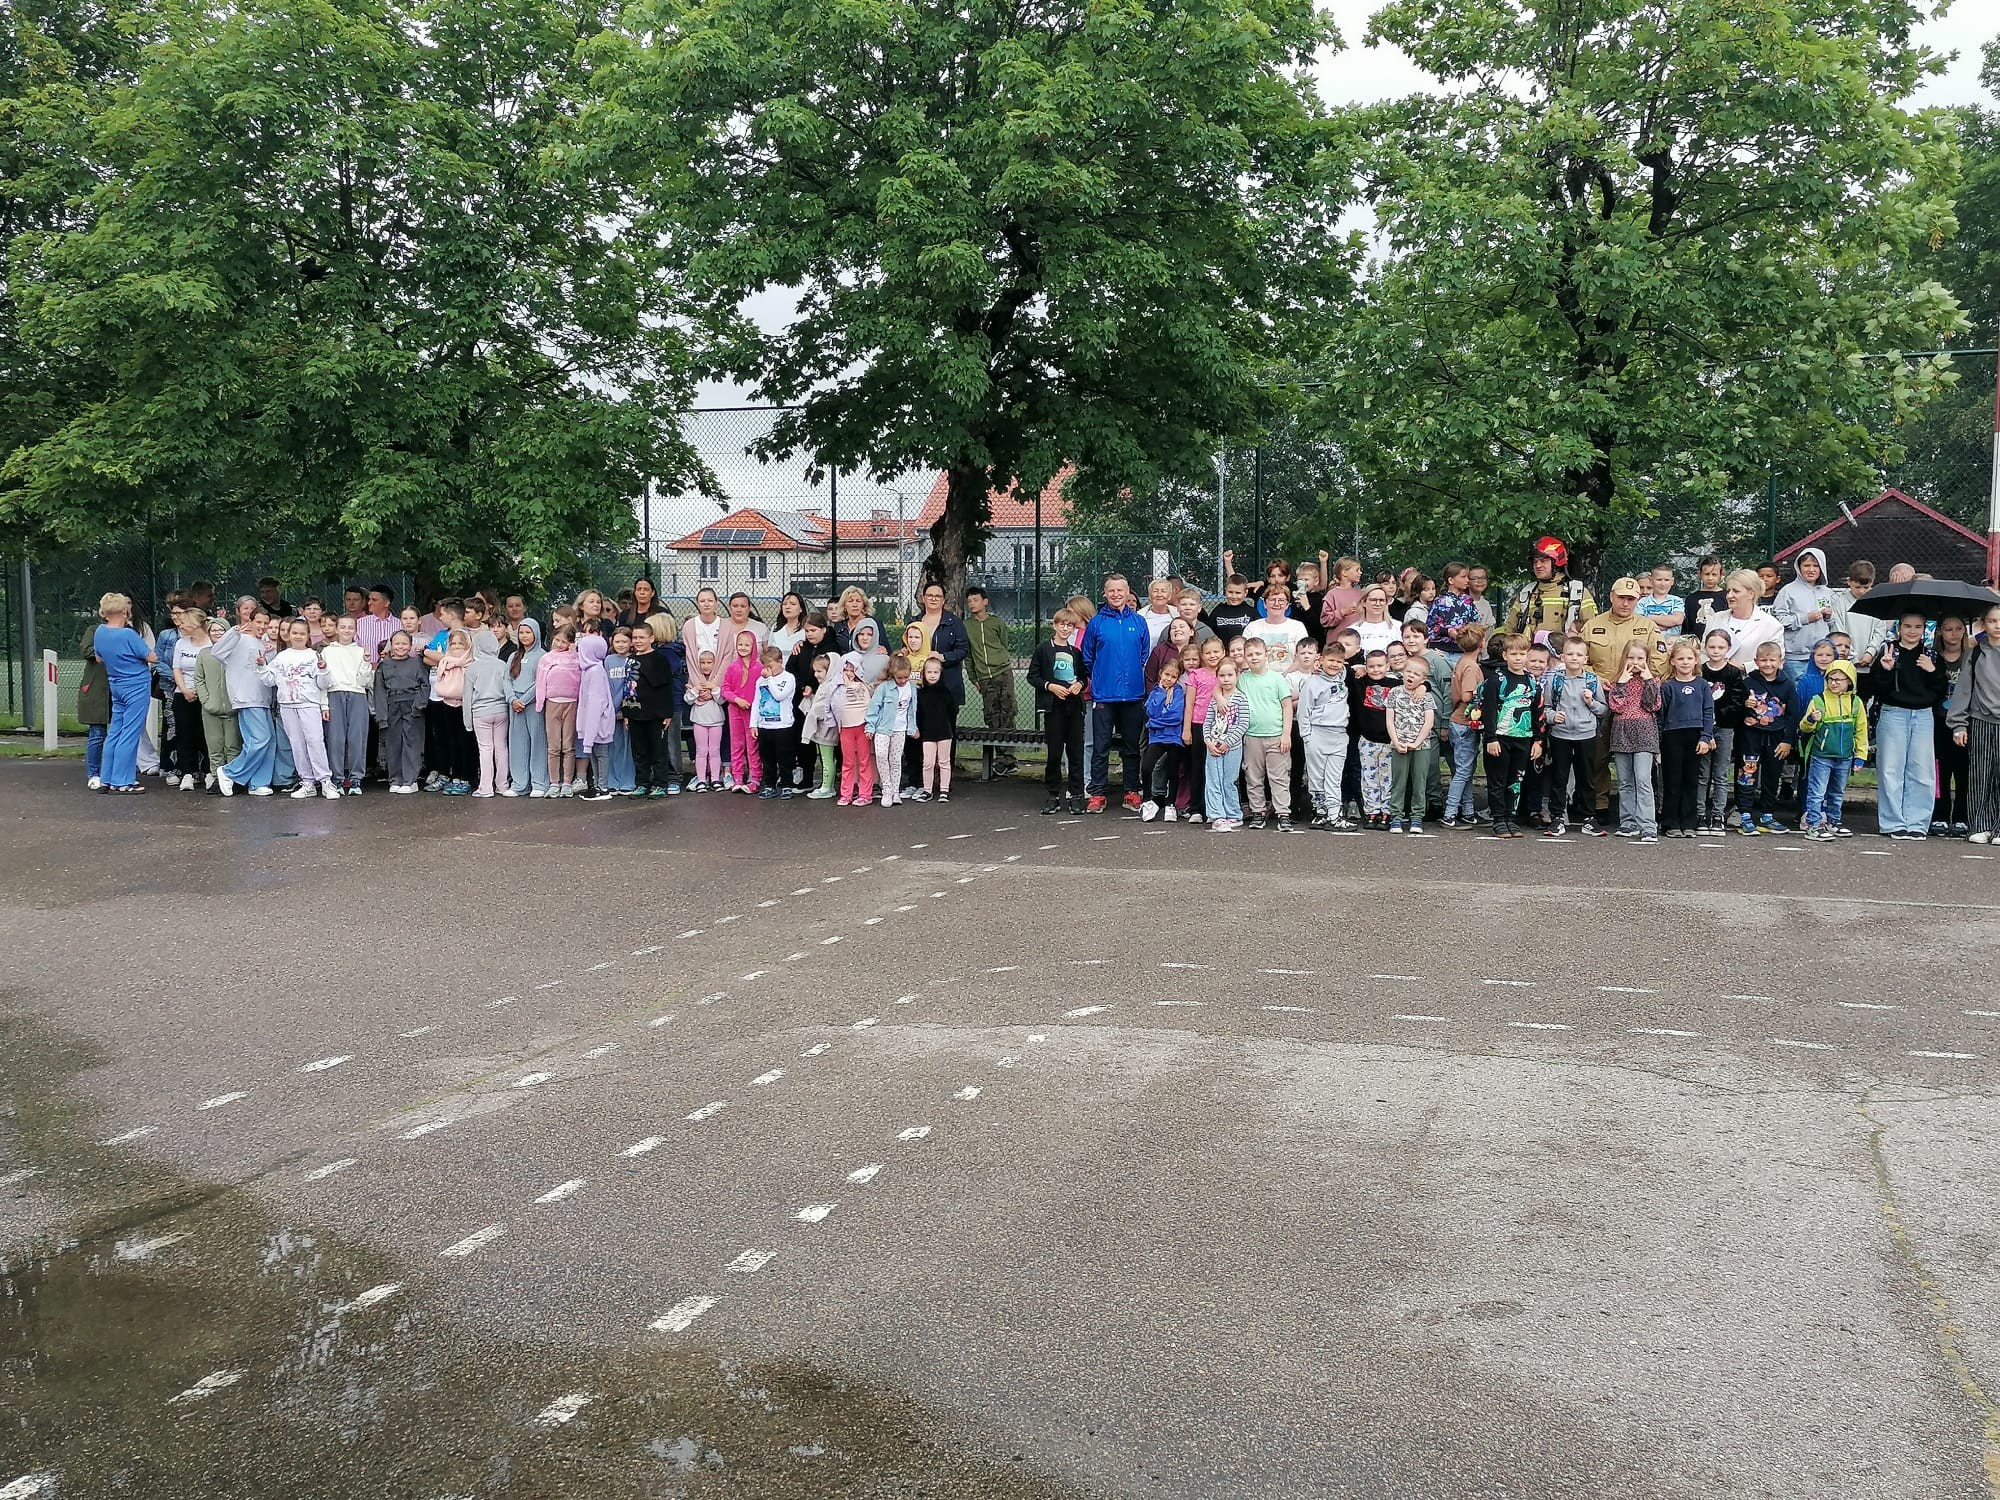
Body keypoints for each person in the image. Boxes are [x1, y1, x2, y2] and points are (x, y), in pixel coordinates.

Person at [1866, 613, 1945, 839]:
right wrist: (1885, 670)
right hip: (1894, 713)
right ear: (1899, 627)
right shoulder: (1889, 651)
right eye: (1907, 626)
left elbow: (1939, 689)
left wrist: (1932, 671)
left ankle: (1918, 823)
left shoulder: (1930, 654)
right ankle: (1893, 823)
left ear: (1924, 629)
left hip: (1923, 715)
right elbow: (1877, 687)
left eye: (1918, 627)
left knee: (1922, 770)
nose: (1912, 631)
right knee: (1891, 769)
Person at [1080, 574, 1149, 813]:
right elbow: (1088, 657)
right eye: (1112, 591)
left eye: (1120, 590)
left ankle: (1131, 791)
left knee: (1131, 747)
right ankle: (1097, 793)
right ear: (1105, 593)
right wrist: (1101, 677)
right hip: (1104, 696)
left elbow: (1143, 654)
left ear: (1128, 592)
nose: (1116, 595)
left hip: (1132, 695)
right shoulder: (1097, 623)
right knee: (1101, 747)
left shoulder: (1139, 622)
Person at [260, 617, 337, 800]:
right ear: (288, 634)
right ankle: (307, 781)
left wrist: (324, 669)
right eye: (294, 633)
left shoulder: (313, 655)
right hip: (287, 704)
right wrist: (261, 666)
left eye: (302, 633)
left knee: (315, 740)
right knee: (296, 743)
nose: (298, 636)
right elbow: (270, 679)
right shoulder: (282, 657)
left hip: (309, 703)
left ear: (308, 635)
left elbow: (324, 683)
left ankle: (325, 780)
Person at [87, 593, 156, 794]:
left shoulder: (100, 632)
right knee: (130, 732)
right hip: (136, 684)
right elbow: (151, 656)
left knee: (115, 730)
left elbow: (99, 658)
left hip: (115, 683)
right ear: (124, 611)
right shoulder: (128, 634)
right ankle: (122, 780)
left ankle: (106, 778)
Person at [1540, 636, 1606, 838]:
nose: (1574, 658)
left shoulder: (1593, 681)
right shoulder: (1555, 679)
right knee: (1559, 777)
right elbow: (1547, 708)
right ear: (1562, 657)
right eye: (1570, 654)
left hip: (1586, 735)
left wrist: (1591, 702)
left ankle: (1588, 817)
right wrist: (1552, 717)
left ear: (1586, 658)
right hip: (1561, 735)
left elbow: (1603, 710)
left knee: (1586, 777)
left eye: (1579, 655)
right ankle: (1557, 817)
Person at [1480, 633, 1543, 838]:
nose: (1518, 658)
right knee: (1498, 780)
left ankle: (1510, 817)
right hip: (1500, 737)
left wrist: (1537, 740)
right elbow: (1488, 712)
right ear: (1505, 655)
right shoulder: (1495, 680)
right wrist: (1490, 738)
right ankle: (1498, 818)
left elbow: (1537, 712)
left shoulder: (1531, 682)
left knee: (1516, 780)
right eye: (1513, 653)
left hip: (1523, 738)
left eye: (1522, 654)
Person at [1948, 602, 2000, 843]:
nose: (1997, 626)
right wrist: (1959, 724)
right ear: (1983, 624)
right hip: (1980, 720)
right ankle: (1980, 825)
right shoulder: (1976, 653)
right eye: (1992, 621)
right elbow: (1963, 690)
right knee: (1980, 775)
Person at [1798, 658, 1867, 840]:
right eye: (1831, 679)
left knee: (1837, 792)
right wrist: (1812, 720)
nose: (1834, 683)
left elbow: (1861, 731)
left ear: (1849, 682)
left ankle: (1833, 821)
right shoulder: (1818, 700)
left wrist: (1860, 756)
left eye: (1839, 679)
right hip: (1821, 755)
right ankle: (1813, 824)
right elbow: (1804, 727)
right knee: (1817, 792)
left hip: (1844, 756)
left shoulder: (1856, 703)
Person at [1028, 608, 1088, 815]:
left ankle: (1076, 795)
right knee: (1054, 753)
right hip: (1053, 708)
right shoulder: (1044, 649)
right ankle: (1053, 795)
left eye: (1069, 625)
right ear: (1054, 625)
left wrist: (1079, 684)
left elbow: (1083, 676)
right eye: (1062, 624)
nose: (1065, 628)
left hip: (1074, 707)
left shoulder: (1076, 652)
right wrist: (1050, 686)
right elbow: (1033, 676)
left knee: (1075, 752)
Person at [1656, 638, 1716, 838]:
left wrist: (1705, 738)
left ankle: (1688, 822)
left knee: (1692, 780)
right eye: (1680, 658)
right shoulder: (1668, 686)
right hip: (1672, 736)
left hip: (1696, 735)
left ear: (1696, 660)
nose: (1685, 662)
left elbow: (1708, 712)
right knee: (1673, 781)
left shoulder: (1702, 685)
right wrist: (1658, 743)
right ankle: (1670, 822)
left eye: (1689, 658)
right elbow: (1661, 715)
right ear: (1672, 661)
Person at [1735, 642, 1796, 835]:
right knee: (1747, 774)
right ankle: (1744, 814)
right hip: (1751, 737)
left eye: (1772, 660)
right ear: (1756, 662)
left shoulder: (1787, 685)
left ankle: (1767, 815)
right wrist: (1745, 704)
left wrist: (1788, 740)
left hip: (1777, 739)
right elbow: (1736, 710)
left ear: (1781, 661)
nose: (1768, 664)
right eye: (1763, 660)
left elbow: (1793, 715)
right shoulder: (1748, 683)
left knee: (1772, 776)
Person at [1604, 640, 1662, 841]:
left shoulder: (1653, 680)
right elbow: (1616, 706)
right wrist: (1621, 683)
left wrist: (1648, 681)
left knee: (1643, 779)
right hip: (1622, 732)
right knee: (1625, 781)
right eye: (1631, 657)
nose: (1635, 662)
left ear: (1646, 660)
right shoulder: (1617, 680)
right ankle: (1628, 822)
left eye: (1640, 658)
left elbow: (1653, 705)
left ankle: (1648, 825)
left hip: (1644, 732)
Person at [1238, 637, 1295, 832]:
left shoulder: (1277, 678)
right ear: (1245, 657)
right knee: (1253, 776)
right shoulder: (1242, 679)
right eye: (1250, 655)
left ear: (1265, 655)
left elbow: (1287, 706)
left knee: (1278, 776)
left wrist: (1286, 733)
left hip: (1276, 735)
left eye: (1258, 654)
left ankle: (1283, 813)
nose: (1254, 658)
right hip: (1252, 736)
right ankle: (1258, 812)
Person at [1696, 628, 1748, 835]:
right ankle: (1699, 814)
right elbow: (1696, 702)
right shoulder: (1699, 671)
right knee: (1702, 773)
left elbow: (1737, 703)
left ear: (1728, 649)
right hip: (1702, 729)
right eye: (1712, 646)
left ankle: (1718, 815)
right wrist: (1705, 728)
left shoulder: (1733, 674)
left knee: (1720, 773)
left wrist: (1716, 720)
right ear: (1705, 647)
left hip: (1724, 729)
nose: (1716, 651)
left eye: (1721, 647)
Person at [1296, 641, 1351, 831]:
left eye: (1339, 661)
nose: (1334, 665)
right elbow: (1303, 711)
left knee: (1334, 778)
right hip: (1317, 733)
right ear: (1321, 659)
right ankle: (1321, 813)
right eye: (1331, 660)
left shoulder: (1342, 676)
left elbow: (1350, 663)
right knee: (1316, 777)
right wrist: (1307, 736)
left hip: (1338, 734)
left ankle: (1335, 815)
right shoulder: (1312, 683)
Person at [963, 587, 1018, 770]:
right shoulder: (967, 625)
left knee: (1008, 711)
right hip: (984, 676)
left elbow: (1003, 643)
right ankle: (998, 757)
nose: (972, 604)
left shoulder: (996, 623)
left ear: (985, 602)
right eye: (969, 601)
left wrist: (1001, 662)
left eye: (976, 600)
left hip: (1002, 672)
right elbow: (969, 654)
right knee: (992, 715)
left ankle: (1009, 757)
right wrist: (974, 677)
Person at [1503, 536, 1595, 643]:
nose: (1538, 565)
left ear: (1557, 563)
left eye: (1543, 561)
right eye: (1535, 561)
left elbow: (1590, 630)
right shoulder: (1526, 593)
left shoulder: (1577, 592)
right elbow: (1509, 631)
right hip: (1531, 657)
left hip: (1564, 657)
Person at [624, 621, 678, 798]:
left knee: (658, 751)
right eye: (635, 637)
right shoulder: (631, 659)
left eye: (641, 637)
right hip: (635, 713)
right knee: (639, 751)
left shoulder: (659, 659)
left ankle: (660, 784)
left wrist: (666, 713)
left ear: (651, 638)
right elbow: (628, 687)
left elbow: (664, 688)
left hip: (655, 715)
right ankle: (642, 783)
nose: (637, 641)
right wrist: (626, 713)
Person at [323, 615, 374, 795]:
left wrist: (366, 662)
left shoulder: (360, 651)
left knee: (357, 738)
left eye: (350, 627)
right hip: (334, 693)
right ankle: (337, 778)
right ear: (336, 629)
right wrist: (324, 705)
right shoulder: (328, 651)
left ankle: (355, 779)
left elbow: (364, 682)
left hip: (357, 694)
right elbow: (323, 680)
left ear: (355, 630)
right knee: (335, 738)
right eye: (343, 627)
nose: (346, 630)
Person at [1442, 624, 1488, 827]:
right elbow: (1467, 695)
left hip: (1457, 721)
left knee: (1466, 769)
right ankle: (1450, 812)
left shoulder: (1461, 662)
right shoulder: (1471, 667)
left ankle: (1468, 811)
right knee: (1462, 770)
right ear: (1481, 644)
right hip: (1464, 722)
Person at [1385, 658, 1437, 834]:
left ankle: (1416, 817)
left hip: (1421, 746)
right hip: (1398, 743)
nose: (1411, 676)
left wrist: (1417, 742)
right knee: (1398, 781)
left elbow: (1429, 722)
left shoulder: (1427, 696)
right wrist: (1396, 740)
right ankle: (1396, 817)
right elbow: (1389, 720)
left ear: (1423, 679)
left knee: (1419, 781)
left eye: (1416, 674)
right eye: (1409, 672)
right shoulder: (1394, 693)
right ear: (1402, 672)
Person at [1931, 616, 1971, 835]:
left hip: (1964, 721)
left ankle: (1961, 815)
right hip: (1938, 719)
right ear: (1940, 632)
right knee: (1941, 770)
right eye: (1948, 629)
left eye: (1958, 629)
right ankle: (1940, 814)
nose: (1953, 634)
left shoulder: (1971, 657)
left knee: (1963, 771)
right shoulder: (1933, 656)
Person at [1772, 548, 1835, 683]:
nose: (1811, 570)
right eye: (1806, 565)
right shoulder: (1788, 591)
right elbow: (1779, 621)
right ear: (1799, 567)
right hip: (1795, 657)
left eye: (1816, 566)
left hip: (1821, 656)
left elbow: (1834, 623)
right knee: (1799, 693)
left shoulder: (1827, 592)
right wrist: (1805, 618)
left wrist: (1829, 616)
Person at [1138, 657, 1189, 821]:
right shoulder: (1155, 691)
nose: (1169, 679)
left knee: (1173, 772)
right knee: (1147, 767)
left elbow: (1176, 717)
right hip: (1157, 737)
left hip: (1173, 737)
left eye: (1173, 676)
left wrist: (1155, 722)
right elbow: (1150, 712)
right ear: (1161, 674)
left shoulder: (1179, 692)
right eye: (1167, 674)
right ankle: (1147, 801)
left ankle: (1170, 804)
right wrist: (1160, 694)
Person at [535, 626, 583, 797]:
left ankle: (567, 782)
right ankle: (554, 782)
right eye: (558, 640)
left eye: (565, 641)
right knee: (553, 746)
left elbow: (581, 678)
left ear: (571, 642)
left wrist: (573, 651)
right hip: (552, 703)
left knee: (568, 746)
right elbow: (540, 682)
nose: (560, 644)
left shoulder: (577, 658)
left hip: (572, 703)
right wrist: (540, 703)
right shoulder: (546, 658)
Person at [462, 629, 510, 798]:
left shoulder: (472, 669)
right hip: (501, 710)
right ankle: (503, 785)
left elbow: (467, 697)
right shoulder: (502, 665)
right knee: (501, 747)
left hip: (481, 712)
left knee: (485, 749)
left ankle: (485, 787)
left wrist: (467, 722)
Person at [1202, 659, 1249, 832]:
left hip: (1232, 748)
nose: (1226, 679)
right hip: (1213, 746)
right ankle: (1217, 815)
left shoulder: (1241, 699)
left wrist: (1228, 742)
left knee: (1229, 781)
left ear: (1237, 676)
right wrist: (1208, 741)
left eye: (1230, 675)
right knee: (1214, 781)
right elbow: (1207, 722)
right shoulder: (1215, 700)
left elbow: (1243, 723)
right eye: (1222, 675)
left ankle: (1234, 814)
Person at [1706, 568, 1784, 670]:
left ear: (1751, 594)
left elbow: (1778, 661)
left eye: (1736, 591)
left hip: (1751, 682)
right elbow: (1702, 652)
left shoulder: (1772, 626)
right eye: (1728, 591)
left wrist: (1744, 667)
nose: (1729, 595)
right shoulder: (1715, 618)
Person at [504, 621, 549, 797]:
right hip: (514, 705)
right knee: (517, 743)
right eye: (521, 632)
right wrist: (512, 699)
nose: (524, 636)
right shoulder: (513, 656)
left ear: (536, 634)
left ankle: (539, 783)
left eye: (528, 632)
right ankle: (519, 783)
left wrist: (523, 700)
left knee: (538, 742)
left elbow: (540, 682)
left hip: (533, 704)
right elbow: (506, 679)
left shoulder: (543, 656)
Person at [867, 651, 917, 808]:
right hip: (883, 728)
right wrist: (870, 726)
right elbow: (874, 707)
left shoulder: (911, 688)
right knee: (881, 755)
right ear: (892, 674)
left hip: (900, 729)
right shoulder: (884, 688)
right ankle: (886, 789)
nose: (903, 681)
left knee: (895, 760)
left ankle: (894, 790)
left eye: (905, 677)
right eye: (899, 678)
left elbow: (911, 710)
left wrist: (912, 728)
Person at [574, 633, 618, 800]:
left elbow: (595, 702)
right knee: (593, 754)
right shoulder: (590, 670)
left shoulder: (595, 672)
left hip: (599, 723)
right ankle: (597, 785)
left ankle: (603, 787)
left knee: (601, 754)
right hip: (591, 723)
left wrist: (590, 730)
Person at [720, 628, 763, 794]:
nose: (743, 647)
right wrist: (736, 699)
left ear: (753, 647)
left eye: (747, 644)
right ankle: (737, 777)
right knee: (736, 744)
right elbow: (725, 688)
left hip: (753, 712)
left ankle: (755, 777)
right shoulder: (732, 667)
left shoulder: (759, 668)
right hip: (735, 710)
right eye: (740, 644)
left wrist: (752, 704)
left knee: (752, 745)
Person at [752, 645, 798, 800]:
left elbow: (779, 696)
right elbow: (756, 702)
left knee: (785, 759)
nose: (767, 670)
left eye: (770, 666)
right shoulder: (760, 681)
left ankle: (787, 785)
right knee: (767, 759)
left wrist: (770, 679)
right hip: (765, 726)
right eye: (764, 667)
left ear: (780, 662)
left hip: (782, 727)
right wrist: (754, 723)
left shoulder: (788, 678)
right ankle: (770, 785)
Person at [913, 653, 957, 802]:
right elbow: (918, 714)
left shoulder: (946, 692)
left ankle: (944, 790)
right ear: (924, 674)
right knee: (928, 762)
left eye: (936, 672)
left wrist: (950, 730)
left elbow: (952, 711)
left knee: (944, 762)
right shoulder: (921, 694)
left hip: (944, 732)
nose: (932, 675)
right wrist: (918, 729)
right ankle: (927, 790)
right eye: (929, 672)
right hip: (928, 734)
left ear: (941, 673)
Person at [832, 652, 875, 805]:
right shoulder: (836, 687)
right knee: (848, 762)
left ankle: (865, 794)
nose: (849, 673)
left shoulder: (863, 686)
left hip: (861, 727)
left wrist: (870, 726)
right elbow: (831, 705)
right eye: (846, 669)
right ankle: (846, 793)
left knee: (864, 761)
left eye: (853, 669)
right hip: (846, 728)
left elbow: (869, 705)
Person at [682, 648, 725, 792]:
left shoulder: (718, 682)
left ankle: (715, 779)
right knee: (701, 751)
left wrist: (713, 690)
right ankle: (701, 779)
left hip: (716, 721)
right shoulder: (694, 681)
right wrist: (695, 690)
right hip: (699, 720)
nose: (706, 665)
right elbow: (687, 699)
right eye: (702, 662)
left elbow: (722, 700)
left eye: (709, 662)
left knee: (714, 750)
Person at [1831, 560, 1887, 665]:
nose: (1861, 591)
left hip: (1870, 661)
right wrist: (1852, 657)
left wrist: (1870, 652)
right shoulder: (1839, 603)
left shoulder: (1877, 603)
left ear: (1872, 582)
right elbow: (1838, 630)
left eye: (1866, 587)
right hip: (1845, 662)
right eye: (1857, 587)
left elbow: (1880, 631)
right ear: (1849, 581)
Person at [1244, 582, 1309, 670]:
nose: (1277, 603)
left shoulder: (1298, 627)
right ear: (1264, 604)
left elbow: (1303, 657)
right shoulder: (1252, 627)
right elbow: (1245, 656)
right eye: (1272, 599)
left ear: (1287, 605)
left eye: (1281, 600)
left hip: (1289, 678)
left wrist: (1284, 676)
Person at [1207, 574, 1260, 643]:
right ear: (1225, 590)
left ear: (1245, 592)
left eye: (1238, 593)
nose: (1234, 596)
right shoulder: (1218, 611)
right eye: (1230, 592)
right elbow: (1209, 635)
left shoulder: (1252, 612)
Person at [1638, 567, 1686, 638]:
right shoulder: (1643, 602)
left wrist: (1648, 617)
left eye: (1666, 580)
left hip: (1671, 643)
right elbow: (1639, 622)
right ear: (1651, 580)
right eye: (1659, 580)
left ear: (1672, 581)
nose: (1663, 583)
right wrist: (1667, 622)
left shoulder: (1676, 600)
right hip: (1647, 640)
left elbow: (1677, 620)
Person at [1139, 578, 1178, 648]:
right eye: (1155, 591)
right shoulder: (1140, 616)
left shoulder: (1178, 614)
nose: (1159, 594)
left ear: (1169, 596)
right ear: (1150, 596)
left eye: (1163, 591)